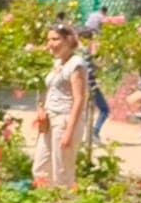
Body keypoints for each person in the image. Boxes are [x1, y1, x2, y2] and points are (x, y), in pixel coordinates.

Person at [32, 21, 96, 189]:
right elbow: (49, 88)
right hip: (50, 119)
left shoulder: (76, 65)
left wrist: (69, 132)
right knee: (41, 167)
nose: (50, 44)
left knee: (62, 172)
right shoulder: (58, 63)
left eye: (55, 39)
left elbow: (79, 99)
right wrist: (41, 108)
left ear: (68, 40)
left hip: (65, 119)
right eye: (48, 40)